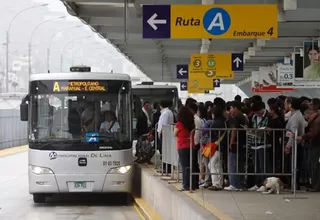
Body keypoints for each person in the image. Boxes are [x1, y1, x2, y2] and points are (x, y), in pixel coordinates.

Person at [224, 101, 247, 191]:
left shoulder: (236, 117)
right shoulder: (243, 117)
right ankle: (240, 183)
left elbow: (234, 130)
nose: (230, 110)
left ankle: (234, 184)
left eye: (231, 108)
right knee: (240, 164)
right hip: (242, 144)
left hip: (235, 144)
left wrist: (231, 142)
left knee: (233, 164)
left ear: (235, 108)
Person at [284, 97, 306, 190]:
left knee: (294, 165)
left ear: (290, 105)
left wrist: (288, 146)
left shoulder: (295, 117)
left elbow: (293, 133)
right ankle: (293, 184)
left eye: (286, 103)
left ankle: (294, 184)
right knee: (293, 165)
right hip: (296, 144)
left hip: (295, 144)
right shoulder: (296, 115)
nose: (285, 105)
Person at [174, 106, 196, 191]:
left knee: (184, 166)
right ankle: (192, 185)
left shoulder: (179, 124)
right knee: (191, 166)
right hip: (191, 146)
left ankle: (185, 185)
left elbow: (174, 133)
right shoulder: (192, 123)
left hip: (182, 146)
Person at [206, 106, 226, 191]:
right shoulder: (223, 122)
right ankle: (219, 183)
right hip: (222, 146)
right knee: (218, 165)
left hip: (216, 146)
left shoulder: (216, 123)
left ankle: (216, 183)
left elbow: (210, 133)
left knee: (212, 164)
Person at [157, 100, 174, 173]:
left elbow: (163, 125)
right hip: (168, 134)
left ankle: (165, 168)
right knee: (167, 152)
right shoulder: (169, 112)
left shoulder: (164, 113)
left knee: (164, 152)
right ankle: (168, 168)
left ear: (161, 105)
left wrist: (160, 133)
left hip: (164, 135)